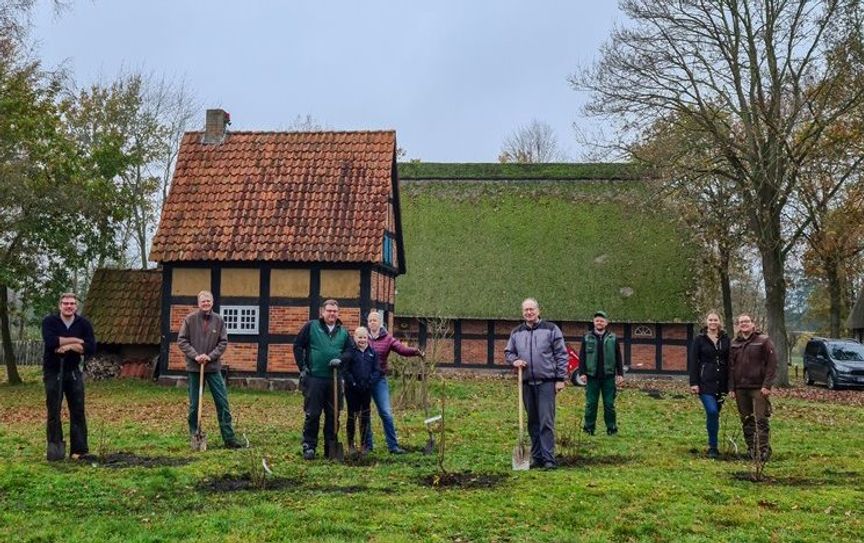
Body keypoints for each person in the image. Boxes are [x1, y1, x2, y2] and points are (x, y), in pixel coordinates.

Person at [505, 298, 568, 469]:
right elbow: (509, 352)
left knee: (546, 421)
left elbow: (561, 354)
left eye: (532, 309)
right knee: (532, 421)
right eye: (526, 310)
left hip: (546, 382)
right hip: (526, 383)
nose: (529, 313)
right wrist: (515, 361)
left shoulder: (551, 329)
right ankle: (537, 457)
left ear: (538, 311)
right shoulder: (516, 332)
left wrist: (560, 379)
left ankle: (549, 458)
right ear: (522, 312)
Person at [177, 290, 244, 449]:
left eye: (208, 301)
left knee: (222, 403)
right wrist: (196, 356)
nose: (205, 303)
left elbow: (223, 342)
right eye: (202, 301)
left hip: (213, 368)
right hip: (195, 368)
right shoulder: (190, 320)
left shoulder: (218, 321)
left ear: (212, 302)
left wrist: (210, 356)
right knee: (194, 405)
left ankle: (229, 438)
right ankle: (195, 435)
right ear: (198, 303)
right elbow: (182, 340)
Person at [293, 299, 351, 460]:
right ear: (322, 312)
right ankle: (309, 446)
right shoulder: (311, 327)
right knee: (313, 414)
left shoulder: (343, 332)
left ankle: (330, 446)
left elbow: (349, 351)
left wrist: (341, 359)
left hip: (334, 379)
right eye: (329, 310)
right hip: (315, 379)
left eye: (334, 311)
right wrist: (303, 367)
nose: (332, 314)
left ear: (338, 313)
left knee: (333, 415)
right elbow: (298, 345)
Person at [41, 292, 96, 460]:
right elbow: (51, 342)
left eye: (72, 303)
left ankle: (79, 450)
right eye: (65, 303)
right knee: (54, 411)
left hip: (73, 372)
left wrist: (69, 346)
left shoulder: (84, 324)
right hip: (53, 372)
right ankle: (55, 448)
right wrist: (76, 341)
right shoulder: (49, 322)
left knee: (78, 411)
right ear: (60, 306)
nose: (69, 306)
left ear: (76, 306)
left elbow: (91, 347)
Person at [364, 310, 423, 454]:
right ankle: (367, 446)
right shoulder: (362, 337)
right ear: (367, 323)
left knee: (386, 413)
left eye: (375, 320)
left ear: (380, 323)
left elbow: (401, 349)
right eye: (370, 320)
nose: (372, 323)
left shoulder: (387, 339)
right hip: (363, 380)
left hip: (379, 380)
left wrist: (416, 351)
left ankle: (393, 446)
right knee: (364, 413)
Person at [729, 314, 777, 462]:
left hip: (758, 387)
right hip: (740, 388)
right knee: (746, 419)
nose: (744, 324)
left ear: (752, 324)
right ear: (738, 325)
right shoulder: (734, 343)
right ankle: (751, 447)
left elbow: (772, 364)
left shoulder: (763, 341)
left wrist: (767, 385)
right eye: (741, 322)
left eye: (746, 322)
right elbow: (731, 367)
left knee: (761, 418)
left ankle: (763, 449)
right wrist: (731, 388)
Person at [688, 311, 730, 459]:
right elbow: (693, 362)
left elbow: (730, 360)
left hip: (722, 383)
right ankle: (713, 446)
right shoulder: (699, 340)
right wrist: (693, 382)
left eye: (715, 320)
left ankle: (714, 442)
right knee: (712, 411)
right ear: (706, 322)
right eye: (710, 320)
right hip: (705, 382)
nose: (713, 322)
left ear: (719, 322)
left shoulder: (725, 339)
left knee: (715, 414)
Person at [576, 310, 624, 436]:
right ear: (594, 322)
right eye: (597, 320)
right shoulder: (587, 337)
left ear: (606, 323)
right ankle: (589, 428)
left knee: (609, 404)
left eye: (602, 321)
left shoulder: (612, 338)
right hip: (592, 377)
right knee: (591, 404)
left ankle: (611, 428)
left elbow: (618, 356)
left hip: (608, 377)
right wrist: (582, 373)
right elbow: (582, 357)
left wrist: (620, 374)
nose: (599, 322)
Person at [340, 326, 381, 454]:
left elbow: (377, 370)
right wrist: (353, 383)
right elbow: (345, 371)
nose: (362, 340)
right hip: (352, 390)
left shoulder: (372, 353)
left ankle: (363, 445)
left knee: (364, 417)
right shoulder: (350, 352)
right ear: (355, 337)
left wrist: (370, 382)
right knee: (352, 416)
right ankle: (351, 444)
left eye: (364, 337)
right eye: (359, 337)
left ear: (368, 338)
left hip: (366, 389)